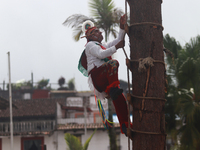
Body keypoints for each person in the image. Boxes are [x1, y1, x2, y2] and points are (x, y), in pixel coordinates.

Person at [78, 15, 130, 135]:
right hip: (98, 76)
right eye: (96, 31)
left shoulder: (100, 45)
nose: (100, 32)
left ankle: (125, 125)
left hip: (103, 77)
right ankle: (113, 88)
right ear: (91, 36)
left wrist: (121, 27)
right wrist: (116, 47)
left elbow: (118, 41)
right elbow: (102, 54)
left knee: (120, 99)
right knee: (113, 63)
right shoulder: (90, 46)